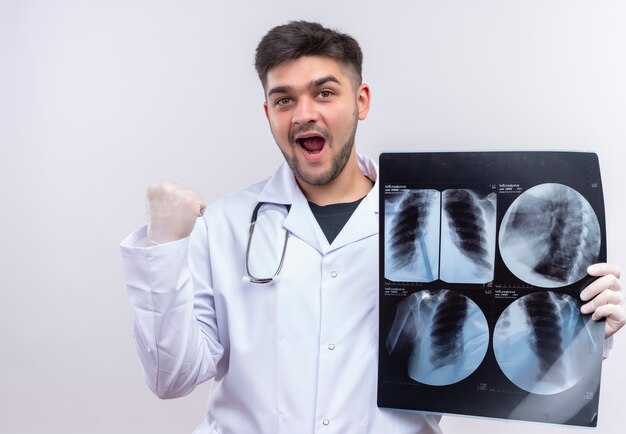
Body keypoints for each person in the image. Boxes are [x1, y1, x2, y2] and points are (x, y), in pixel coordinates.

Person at [120, 21, 625, 433]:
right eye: (284, 99)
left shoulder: (432, 217)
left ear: (360, 101)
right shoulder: (229, 224)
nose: (304, 114)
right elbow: (172, 377)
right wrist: (165, 245)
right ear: (268, 112)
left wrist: (584, 317)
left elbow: (507, 347)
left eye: (324, 93)